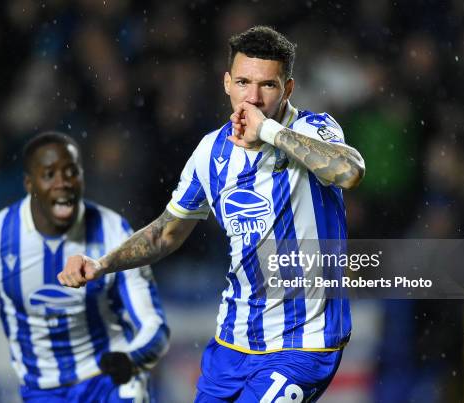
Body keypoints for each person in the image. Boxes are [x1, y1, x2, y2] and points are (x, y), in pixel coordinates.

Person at [59, 26, 365, 402]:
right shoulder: (211, 152)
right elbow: (165, 234)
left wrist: (268, 131)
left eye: (267, 86)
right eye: (242, 82)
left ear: (287, 89)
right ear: (226, 83)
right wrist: (102, 263)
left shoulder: (310, 128)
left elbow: (349, 172)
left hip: (303, 345)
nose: (252, 97)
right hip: (231, 345)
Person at [0, 131, 169, 402]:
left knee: (133, 391)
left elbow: (155, 325)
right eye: (49, 175)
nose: (63, 183)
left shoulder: (114, 232)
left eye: (71, 172)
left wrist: (131, 358)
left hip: (107, 383)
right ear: (28, 183)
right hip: (42, 390)